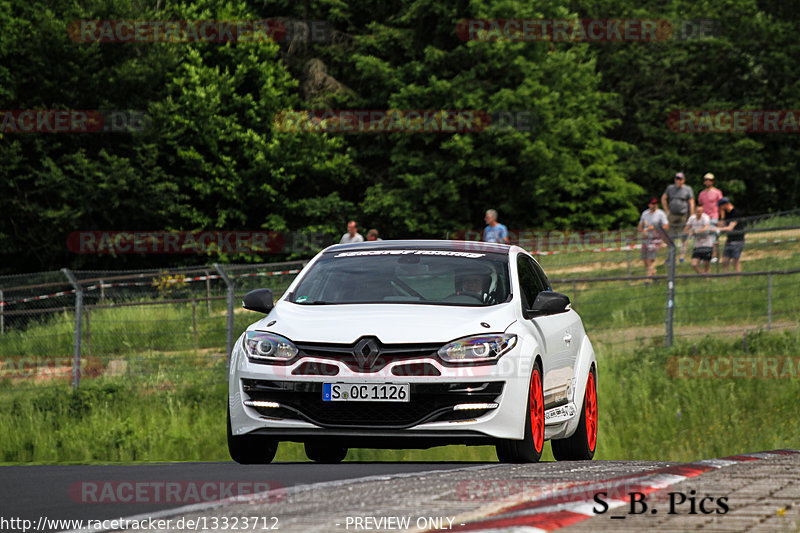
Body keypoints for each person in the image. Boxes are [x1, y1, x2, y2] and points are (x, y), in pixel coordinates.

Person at [661, 172, 695, 263]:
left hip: (683, 215)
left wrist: (692, 214)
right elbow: (663, 198)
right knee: (670, 236)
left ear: (683, 180)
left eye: (680, 179)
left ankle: (682, 256)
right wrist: (666, 211)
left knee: (683, 235)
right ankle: (671, 255)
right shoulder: (670, 188)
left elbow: (691, 201)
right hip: (672, 215)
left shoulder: (688, 189)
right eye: (677, 178)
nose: (678, 180)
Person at [639, 197, 669, 280]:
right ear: (649, 205)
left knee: (649, 259)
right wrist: (642, 231)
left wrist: (654, 227)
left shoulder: (661, 214)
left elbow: (666, 226)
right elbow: (640, 225)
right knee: (645, 260)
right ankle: (655, 277)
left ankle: (647, 280)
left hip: (656, 238)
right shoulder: (645, 213)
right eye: (652, 203)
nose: (654, 205)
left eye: (655, 203)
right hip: (646, 238)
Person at [697, 172, 723, 263]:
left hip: (714, 217)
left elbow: (721, 206)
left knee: (713, 237)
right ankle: (703, 256)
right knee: (703, 237)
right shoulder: (702, 194)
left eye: (710, 180)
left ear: (713, 181)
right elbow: (700, 205)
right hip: (704, 218)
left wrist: (721, 218)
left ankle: (714, 256)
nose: (708, 182)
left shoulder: (717, 192)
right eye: (706, 180)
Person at [684, 204, 713, 275]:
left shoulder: (705, 217)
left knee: (706, 264)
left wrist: (694, 232)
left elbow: (706, 228)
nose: (699, 213)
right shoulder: (692, 218)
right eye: (697, 211)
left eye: (700, 211)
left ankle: (708, 279)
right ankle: (704, 275)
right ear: (695, 211)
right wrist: (688, 232)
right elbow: (686, 229)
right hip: (697, 245)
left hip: (707, 244)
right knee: (694, 264)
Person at [718, 198, 745, 274]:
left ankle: (737, 280)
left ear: (725, 205)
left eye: (720, 207)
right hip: (729, 240)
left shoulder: (736, 213)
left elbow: (730, 228)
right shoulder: (727, 213)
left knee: (735, 262)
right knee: (725, 261)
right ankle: (726, 280)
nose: (719, 208)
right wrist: (722, 216)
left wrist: (717, 229)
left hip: (737, 240)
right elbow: (722, 224)